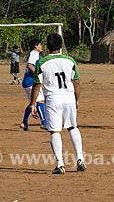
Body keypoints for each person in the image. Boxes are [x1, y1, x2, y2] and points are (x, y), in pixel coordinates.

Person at [30, 33, 86, 174]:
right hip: (69, 98)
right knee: (72, 127)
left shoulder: (42, 62)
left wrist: (33, 103)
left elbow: (37, 84)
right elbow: (77, 82)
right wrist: (76, 99)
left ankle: (60, 164)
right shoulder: (70, 60)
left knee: (55, 131)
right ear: (61, 45)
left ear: (47, 46)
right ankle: (80, 158)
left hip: (53, 98)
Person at [20, 38, 47, 131]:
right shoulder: (34, 53)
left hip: (28, 82)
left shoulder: (34, 54)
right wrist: (38, 77)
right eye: (40, 44)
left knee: (33, 102)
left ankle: (25, 122)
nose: (41, 46)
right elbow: (30, 65)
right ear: (36, 46)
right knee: (40, 101)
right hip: (31, 82)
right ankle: (44, 123)